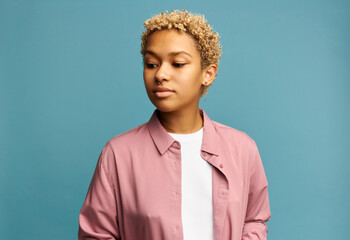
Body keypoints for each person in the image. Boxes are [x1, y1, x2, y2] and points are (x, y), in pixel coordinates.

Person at [78, 9, 271, 240]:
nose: (160, 74)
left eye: (177, 63)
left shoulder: (242, 148)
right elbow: (95, 234)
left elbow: (254, 220)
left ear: (207, 74)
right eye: (151, 64)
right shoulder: (118, 154)